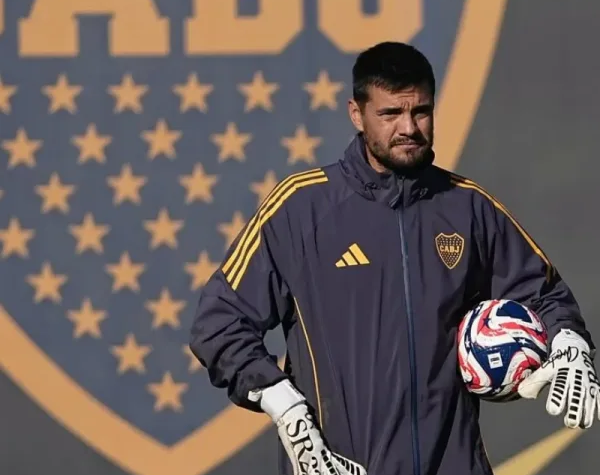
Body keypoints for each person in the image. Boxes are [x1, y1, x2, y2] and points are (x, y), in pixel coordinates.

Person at [189, 41, 599, 475]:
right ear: (357, 114)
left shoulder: (468, 207)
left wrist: (569, 341)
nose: (409, 128)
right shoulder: (300, 209)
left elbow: (545, 294)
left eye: (421, 111)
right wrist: (283, 404)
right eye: (390, 114)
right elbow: (219, 324)